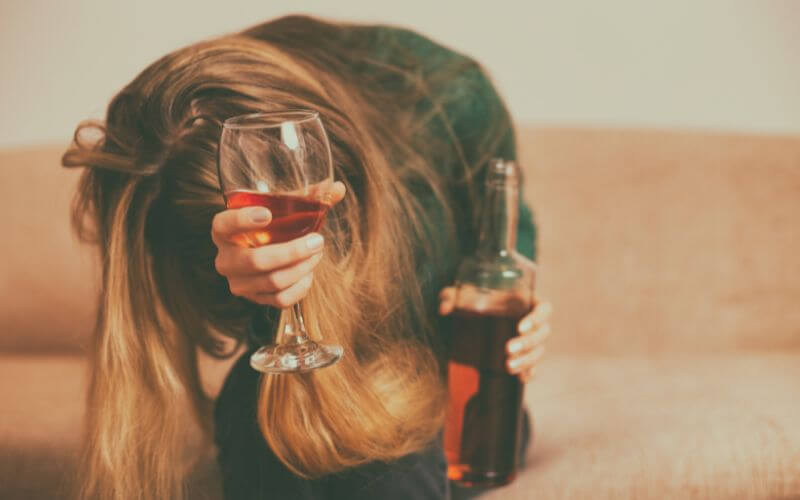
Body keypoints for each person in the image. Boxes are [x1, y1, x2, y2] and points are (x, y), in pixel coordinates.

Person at [62, 15, 553, 500]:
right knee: (258, 407)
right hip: (301, 394)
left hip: (445, 394)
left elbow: (507, 242)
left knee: (384, 465)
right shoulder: (164, 178)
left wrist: (510, 311)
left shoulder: (449, 98)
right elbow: (256, 348)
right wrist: (257, 298)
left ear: (346, 175)